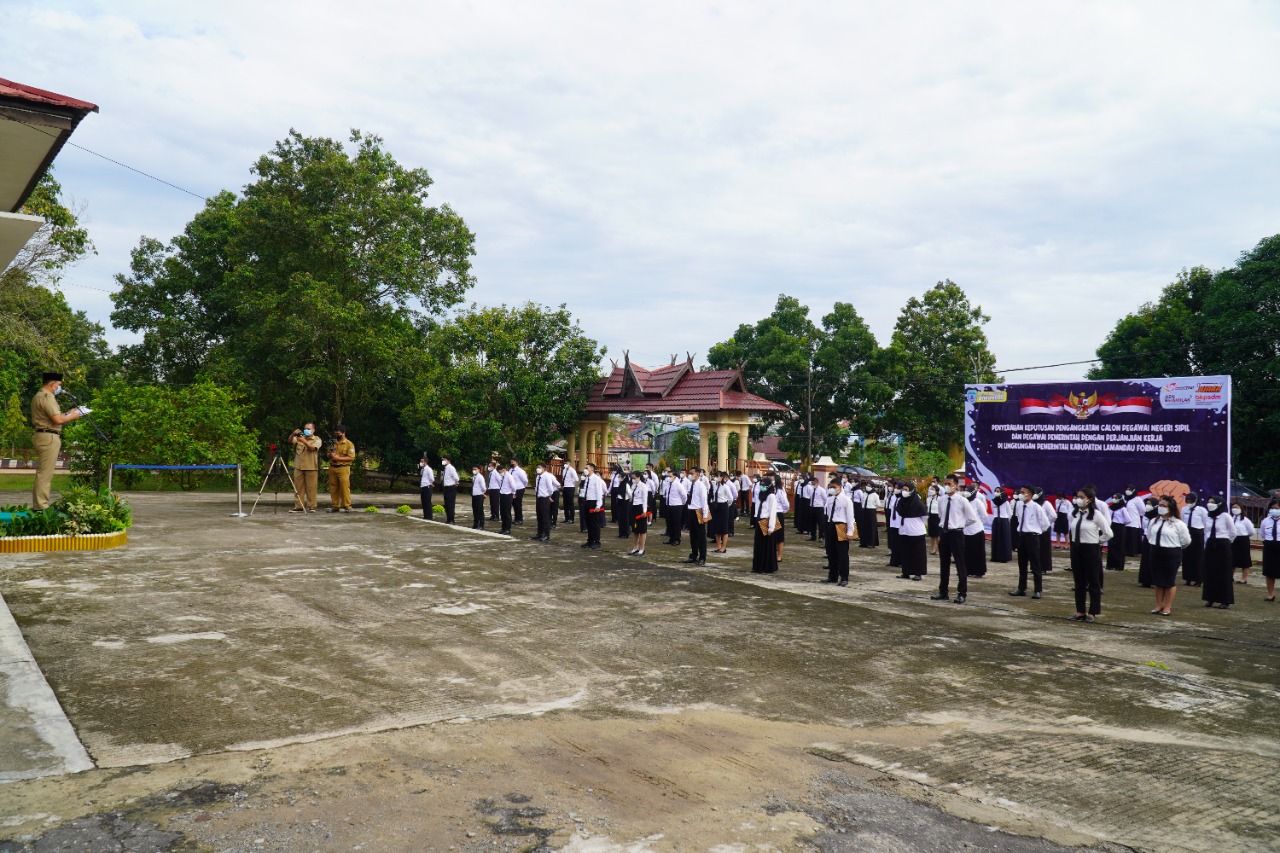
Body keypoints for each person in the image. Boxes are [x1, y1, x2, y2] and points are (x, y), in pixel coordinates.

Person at [28, 372, 89, 510]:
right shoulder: (46, 396)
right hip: (48, 436)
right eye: (59, 385)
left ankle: (40, 505)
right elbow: (57, 419)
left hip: (46, 435)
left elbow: (54, 417)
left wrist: (68, 413)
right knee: (45, 474)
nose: (59, 388)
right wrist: (73, 416)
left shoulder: (41, 396)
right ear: (52, 384)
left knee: (45, 473)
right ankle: (41, 507)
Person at [1067, 486, 1113, 622]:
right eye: (1077, 497)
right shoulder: (1073, 513)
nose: (1078, 500)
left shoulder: (1096, 514)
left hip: (1091, 548)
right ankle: (1080, 611)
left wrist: (1098, 541)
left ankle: (1093, 612)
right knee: (1079, 581)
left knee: (1093, 581)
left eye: (1082, 497)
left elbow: (1108, 533)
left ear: (1089, 499)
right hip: (1076, 548)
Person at [932, 474, 978, 604]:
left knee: (960, 563)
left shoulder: (962, 500)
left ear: (956, 486)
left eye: (949, 484)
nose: (947, 486)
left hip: (956, 533)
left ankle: (962, 593)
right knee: (944, 563)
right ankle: (943, 591)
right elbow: (941, 515)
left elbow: (972, 518)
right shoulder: (942, 500)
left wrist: (960, 525)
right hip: (945, 533)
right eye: (945, 484)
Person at [1148, 496, 1191, 615]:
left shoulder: (1178, 524)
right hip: (1155, 552)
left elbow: (1186, 540)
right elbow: (1149, 535)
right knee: (1158, 581)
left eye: (1163, 506)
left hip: (1171, 553)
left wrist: (1173, 546)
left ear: (1170, 508)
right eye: (1159, 505)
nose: (1160, 508)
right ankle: (1158, 605)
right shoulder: (1154, 521)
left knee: (1169, 581)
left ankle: (1167, 606)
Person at [1011, 485, 1047, 599]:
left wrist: (1036, 531)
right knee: (1022, 564)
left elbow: (1045, 524)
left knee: (1035, 565)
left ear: (1030, 494)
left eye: (1023, 492)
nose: (1020, 494)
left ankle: (1037, 590)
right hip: (1021, 536)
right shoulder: (1019, 505)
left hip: (1032, 537)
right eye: (1020, 492)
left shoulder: (1036, 507)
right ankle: (1021, 588)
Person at [1201, 496, 1236, 609]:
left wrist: (1224, 542)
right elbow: (1206, 530)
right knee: (1210, 571)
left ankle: (1224, 599)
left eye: (1213, 502)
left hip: (1223, 544)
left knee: (1223, 572)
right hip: (1211, 544)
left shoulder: (1225, 516)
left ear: (1219, 504)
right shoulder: (1208, 516)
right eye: (1209, 502)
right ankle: (1210, 598)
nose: (1209, 504)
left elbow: (1232, 532)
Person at [825, 479, 856, 586]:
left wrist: (850, 531)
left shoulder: (846, 500)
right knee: (830, 552)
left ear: (840, 487)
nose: (832, 489)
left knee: (842, 554)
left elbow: (850, 517)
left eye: (834, 487)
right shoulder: (829, 500)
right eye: (830, 487)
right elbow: (828, 514)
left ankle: (844, 577)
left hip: (841, 526)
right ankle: (832, 576)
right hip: (831, 525)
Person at [895, 483, 928, 582]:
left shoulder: (918, 503)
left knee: (918, 553)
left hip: (916, 531)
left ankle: (918, 573)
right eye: (903, 489)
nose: (904, 491)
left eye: (906, 489)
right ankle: (906, 572)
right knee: (905, 552)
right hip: (904, 530)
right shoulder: (901, 501)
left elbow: (924, 517)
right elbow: (899, 511)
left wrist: (913, 522)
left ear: (912, 490)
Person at [289, 423, 322, 512]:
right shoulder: (300, 437)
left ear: (313, 430)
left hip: (311, 467)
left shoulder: (317, 439)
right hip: (299, 466)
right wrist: (293, 434)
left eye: (308, 428)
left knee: (311, 488)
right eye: (305, 428)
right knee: (298, 487)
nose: (306, 430)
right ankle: (298, 506)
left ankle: (312, 506)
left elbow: (312, 448)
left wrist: (303, 441)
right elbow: (291, 441)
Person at [751, 478, 780, 574]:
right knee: (759, 545)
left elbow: (772, 512)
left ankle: (767, 567)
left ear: (768, 486)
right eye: (761, 484)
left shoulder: (771, 496)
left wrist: (771, 527)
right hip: (759, 520)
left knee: (767, 546)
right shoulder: (761, 495)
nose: (762, 486)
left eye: (764, 485)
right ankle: (758, 566)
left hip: (767, 521)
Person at [326, 425, 356, 513]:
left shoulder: (349, 444)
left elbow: (351, 457)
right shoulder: (333, 443)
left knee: (344, 487)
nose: (336, 434)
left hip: (343, 468)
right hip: (332, 467)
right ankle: (335, 506)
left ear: (343, 433)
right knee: (333, 487)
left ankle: (347, 506)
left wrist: (338, 458)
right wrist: (330, 455)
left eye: (338, 433)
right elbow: (328, 454)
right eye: (335, 432)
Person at [1181, 492, 1208, 586]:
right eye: (1187, 500)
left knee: (1198, 557)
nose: (1189, 502)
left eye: (1191, 500)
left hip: (1198, 534)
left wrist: (1204, 535)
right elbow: (1182, 521)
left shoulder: (1202, 510)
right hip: (1187, 533)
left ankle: (1198, 579)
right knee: (1187, 557)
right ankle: (1188, 578)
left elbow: (1206, 523)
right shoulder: (1184, 509)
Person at [684, 468, 709, 566]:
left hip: (699, 511)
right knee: (693, 535)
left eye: (692, 473)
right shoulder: (692, 485)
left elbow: (704, 502)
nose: (690, 475)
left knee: (701, 536)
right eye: (689, 473)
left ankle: (702, 557)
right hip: (691, 510)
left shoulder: (701, 486)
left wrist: (705, 516)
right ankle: (694, 555)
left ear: (697, 475)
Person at [963, 484, 988, 579]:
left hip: (976, 530)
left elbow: (984, 516)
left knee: (978, 552)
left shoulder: (977, 502)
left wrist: (977, 523)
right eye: (965, 490)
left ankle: (979, 571)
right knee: (967, 552)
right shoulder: (964, 501)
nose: (966, 492)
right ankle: (967, 570)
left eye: (968, 491)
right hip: (966, 530)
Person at [581, 463, 607, 550]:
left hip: (594, 502)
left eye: (586, 468)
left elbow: (599, 492)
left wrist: (598, 505)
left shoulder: (596, 479)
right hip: (587, 501)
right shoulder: (587, 479)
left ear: (592, 469)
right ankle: (590, 540)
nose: (585, 469)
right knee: (588, 523)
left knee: (595, 523)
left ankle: (597, 542)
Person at [531, 462, 558, 541]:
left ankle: (546, 534)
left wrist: (548, 495)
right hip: (539, 497)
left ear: (543, 468)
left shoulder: (547, 476)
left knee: (545, 517)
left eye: (539, 467)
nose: (537, 469)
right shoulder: (538, 477)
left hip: (544, 498)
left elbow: (550, 488)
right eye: (537, 467)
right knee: (539, 517)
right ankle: (540, 533)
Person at [1260, 499, 1280, 602]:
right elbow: (1263, 534)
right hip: (1269, 547)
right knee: (1269, 572)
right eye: (1272, 508)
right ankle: (1271, 594)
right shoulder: (1265, 521)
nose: (1274, 510)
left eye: (1276, 508)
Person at [1230, 502, 1255, 585]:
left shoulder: (1245, 520)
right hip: (1233, 540)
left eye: (1237, 507)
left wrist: (1244, 537)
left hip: (1243, 540)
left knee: (1245, 560)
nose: (1234, 509)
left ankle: (1243, 579)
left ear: (1241, 509)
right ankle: (1230, 577)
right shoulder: (1230, 518)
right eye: (1233, 507)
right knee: (1232, 559)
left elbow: (1251, 531)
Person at [628, 470, 650, 556]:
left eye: (634, 478)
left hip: (640, 508)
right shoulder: (633, 485)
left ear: (639, 477)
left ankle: (642, 548)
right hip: (634, 507)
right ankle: (635, 547)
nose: (633, 479)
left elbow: (645, 499)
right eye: (632, 478)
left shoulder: (643, 486)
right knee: (635, 529)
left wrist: (644, 511)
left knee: (642, 530)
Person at [711, 471, 734, 554]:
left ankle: (723, 547)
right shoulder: (714, 485)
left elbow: (730, 498)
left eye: (717, 476)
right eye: (714, 476)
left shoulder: (725, 487)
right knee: (717, 528)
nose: (715, 478)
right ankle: (718, 546)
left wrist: (726, 505)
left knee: (724, 529)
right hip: (716, 507)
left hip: (723, 507)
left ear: (722, 477)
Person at [1105, 493, 1127, 571]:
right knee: (1111, 545)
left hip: (1120, 527)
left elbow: (1128, 519)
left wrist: (1121, 523)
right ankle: (1110, 564)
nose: (1114, 499)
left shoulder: (1123, 508)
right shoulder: (1111, 508)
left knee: (1119, 546)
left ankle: (1118, 565)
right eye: (1113, 497)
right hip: (1112, 526)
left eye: (1116, 498)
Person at [990, 487, 1013, 563]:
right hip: (996, 519)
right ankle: (996, 556)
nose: (996, 492)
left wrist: (1006, 520)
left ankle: (1004, 557)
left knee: (1004, 539)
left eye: (998, 491)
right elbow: (993, 511)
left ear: (1001, 492)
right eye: (995, 491)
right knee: (996, 538)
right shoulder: (993, 501)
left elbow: (1009, 513)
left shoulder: (1005, 502)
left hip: (1004, 520)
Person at [665, 470, 688, 546]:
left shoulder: (678, 485)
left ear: (674, 476)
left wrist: (682, 503)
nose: (668, 478)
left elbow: (684, 495)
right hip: (669, 505)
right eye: (668, 476)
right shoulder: (668, 484)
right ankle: (671, 538)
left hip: (677, 505)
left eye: (670, 476)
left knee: (676, 523)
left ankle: (677, 539)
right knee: (669, 522)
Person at [1123, 486, 1146, 557]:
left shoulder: (1137, 499)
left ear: (1133, 491)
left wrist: (1135, 515)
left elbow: (1143, 510)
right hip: (1125, 523)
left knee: (1132, 538)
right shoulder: (1125, 499)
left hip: (1134, 522)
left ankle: (1133, 552)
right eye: (1126, 489)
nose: (1127, 491)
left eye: (1129, 490)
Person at [772, 475, 788, 563]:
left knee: (779, 536)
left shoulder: (780, 491)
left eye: (772, 479)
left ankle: (779, 556)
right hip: (769, 514)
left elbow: (786, 504)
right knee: (770, 535)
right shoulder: (769, 490)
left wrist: (782, 511)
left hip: (778, 514)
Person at [440, 455, 459, 524]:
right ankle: (448, 519)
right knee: (447, 504)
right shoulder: (445, 468)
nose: (443, 461)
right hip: (446, 488)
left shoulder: (451, 468)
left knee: (451, 504)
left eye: (444, 459)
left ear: (448, 460)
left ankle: (451, 519)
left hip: (451, 487)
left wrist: (455, 483)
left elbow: (456, 478)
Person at [498, 463, 516, 535]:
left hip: (507, 495)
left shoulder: (509, 476)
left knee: (507, 512)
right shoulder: (502, 476)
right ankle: (503, 528)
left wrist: (513, 493)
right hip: (502, 494)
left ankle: (507, 529)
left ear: (504, 470)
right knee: (502, 512)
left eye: (500, 471)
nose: (500, 473)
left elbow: (513, 486)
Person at [509, 459, 528, 525]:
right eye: (511, 462)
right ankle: (516, 518)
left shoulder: (520, 471)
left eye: (512, 462)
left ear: (516, 462)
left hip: (519, 489)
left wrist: (522, 487)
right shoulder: (510, 470)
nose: (511, 463)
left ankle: (519, 519)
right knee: (514, 504)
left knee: (518, 504)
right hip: (513, 490)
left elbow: (525, 480)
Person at [808, 475, 827, 542]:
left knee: (820, 523)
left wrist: (822, 506)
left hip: (819, 508)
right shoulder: (811, 490)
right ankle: (813, 536)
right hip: (812, 507)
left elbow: (825, 499)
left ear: (817, 483)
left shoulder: (821, 490)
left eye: (814, 483)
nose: (813, 484)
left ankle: (821, 537)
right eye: (812, 483)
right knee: (812, 523)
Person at [561, 460, 579, 524]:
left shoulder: (572, 470)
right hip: (565, 487)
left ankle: (571, 519)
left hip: (570, 487)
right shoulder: (564, 470)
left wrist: (572, 484)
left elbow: (576, 479)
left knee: (570, 503)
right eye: (565, 463)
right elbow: (563, 478)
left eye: (566, 463)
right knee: (565, 503)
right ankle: (566, 518)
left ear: (569, 463)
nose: (565, 464)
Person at [926, 482, 942, 555]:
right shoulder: (928, 499)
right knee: (932, 534)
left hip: (937, 516)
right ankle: (933, 549)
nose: (931, 490)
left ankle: (940, 549)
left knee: (937, 534)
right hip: (930, 516)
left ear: (937, 491)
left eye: (933, 489)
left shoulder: (940, 499)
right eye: (930, 489)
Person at [470, 464, 487, 530]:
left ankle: (481, 524)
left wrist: (482, 493)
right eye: (473, 469)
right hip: (474, 495)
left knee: (479, 510)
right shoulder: (474, 477)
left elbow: (483, 487)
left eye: (475, 469)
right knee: (475, 510)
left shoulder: (480, 477)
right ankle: (476, 523)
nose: (474, 470)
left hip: (479, 495)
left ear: (479, 470)